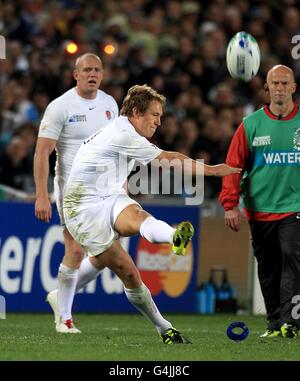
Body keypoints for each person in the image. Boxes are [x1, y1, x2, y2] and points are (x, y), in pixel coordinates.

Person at [63, 84, 241, 343]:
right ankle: (164, 327)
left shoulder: (122, 129)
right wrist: (214, 170)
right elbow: (168, 159)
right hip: (81, 209)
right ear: (136, 111)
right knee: (128, 271)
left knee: (137, 217)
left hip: (108, 195)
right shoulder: (124, 134)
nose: (159, 122)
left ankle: (174, 237)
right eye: (155, 115)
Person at [34, 53, 119, 333]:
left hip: (105, 191)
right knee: (75, 248)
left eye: (97, 70)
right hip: (71, 191)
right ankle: (65, 318)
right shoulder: (60, 107)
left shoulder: (110, 104)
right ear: (76, 74)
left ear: (103, 74)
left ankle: (61, 296)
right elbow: (43, 152)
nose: (92, 74)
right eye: (87, 70)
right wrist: (42, 195)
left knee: (107, 253)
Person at [219, 65, 300, 338]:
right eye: (274, 83)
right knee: (268, 268)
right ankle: (275, 323)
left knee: (292, 255)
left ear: (293, 87)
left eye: (284, 83)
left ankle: (291, 321)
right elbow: (233, 165)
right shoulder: (251, 124)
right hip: (260, 210)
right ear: (267, 88)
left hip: (294, 207)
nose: (279, 88)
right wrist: (230, 204)